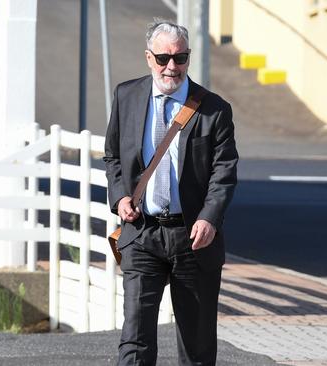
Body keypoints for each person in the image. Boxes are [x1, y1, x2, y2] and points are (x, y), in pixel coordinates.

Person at [104, 20, 238, 365]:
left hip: (192, 239)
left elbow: (223, 173)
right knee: (135, 340)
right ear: (149, 58)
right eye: (163, 58)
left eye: (180, 58)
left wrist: (209, 218)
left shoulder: (214, 109)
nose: (171, 67)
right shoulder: (126, 96)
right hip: (142, 233)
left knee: (197, 346)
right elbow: (114, 156)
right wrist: (121, 197)